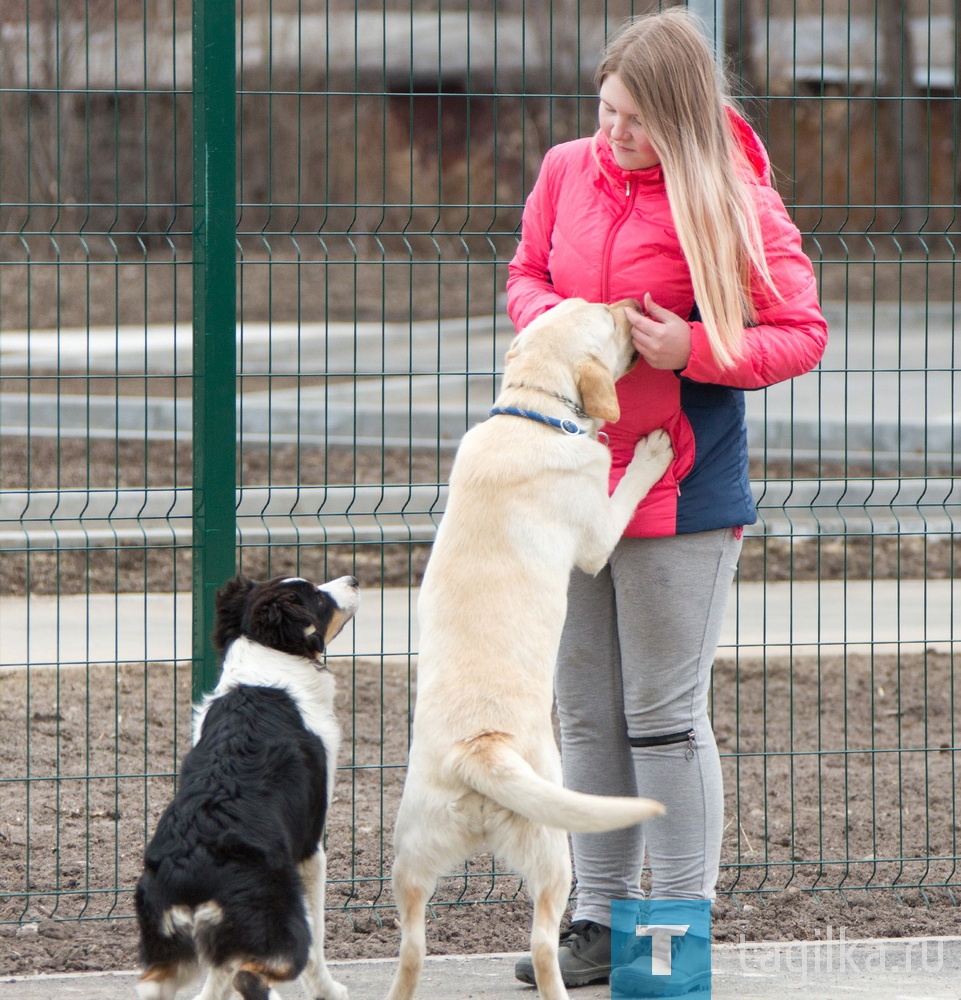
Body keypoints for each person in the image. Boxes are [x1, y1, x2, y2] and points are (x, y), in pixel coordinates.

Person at [507, 8, 828, 994]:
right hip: (567, 482)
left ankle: (677, 928)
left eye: (637, 120)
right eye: (606, 111)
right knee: (584, 709)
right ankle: (597, 921)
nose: (615, 134)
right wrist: (559, 322)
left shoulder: (731, 197)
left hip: (678, 488)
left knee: (662, 713)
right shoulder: (567, 170)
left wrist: (691, 348)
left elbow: (800, 330)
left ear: (681, 120)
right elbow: (524, 275)